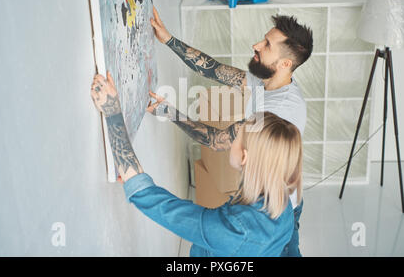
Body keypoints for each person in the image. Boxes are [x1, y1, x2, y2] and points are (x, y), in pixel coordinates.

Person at [149, 6, 313, 256]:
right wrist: (168, 39)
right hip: (272, 196)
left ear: (285, 63)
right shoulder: (269, 80)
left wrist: (168, 112)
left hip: (276, 209)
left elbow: (216, 140)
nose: (256, 45)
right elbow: (212, 69)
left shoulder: (278, 112)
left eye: (267, 44)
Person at [90, 72, 303, 257]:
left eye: (237, 134)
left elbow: (161, 207)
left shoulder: (233, 229)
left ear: (244, 157)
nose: (232, 136)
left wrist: (112, 111)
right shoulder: (285, 203)